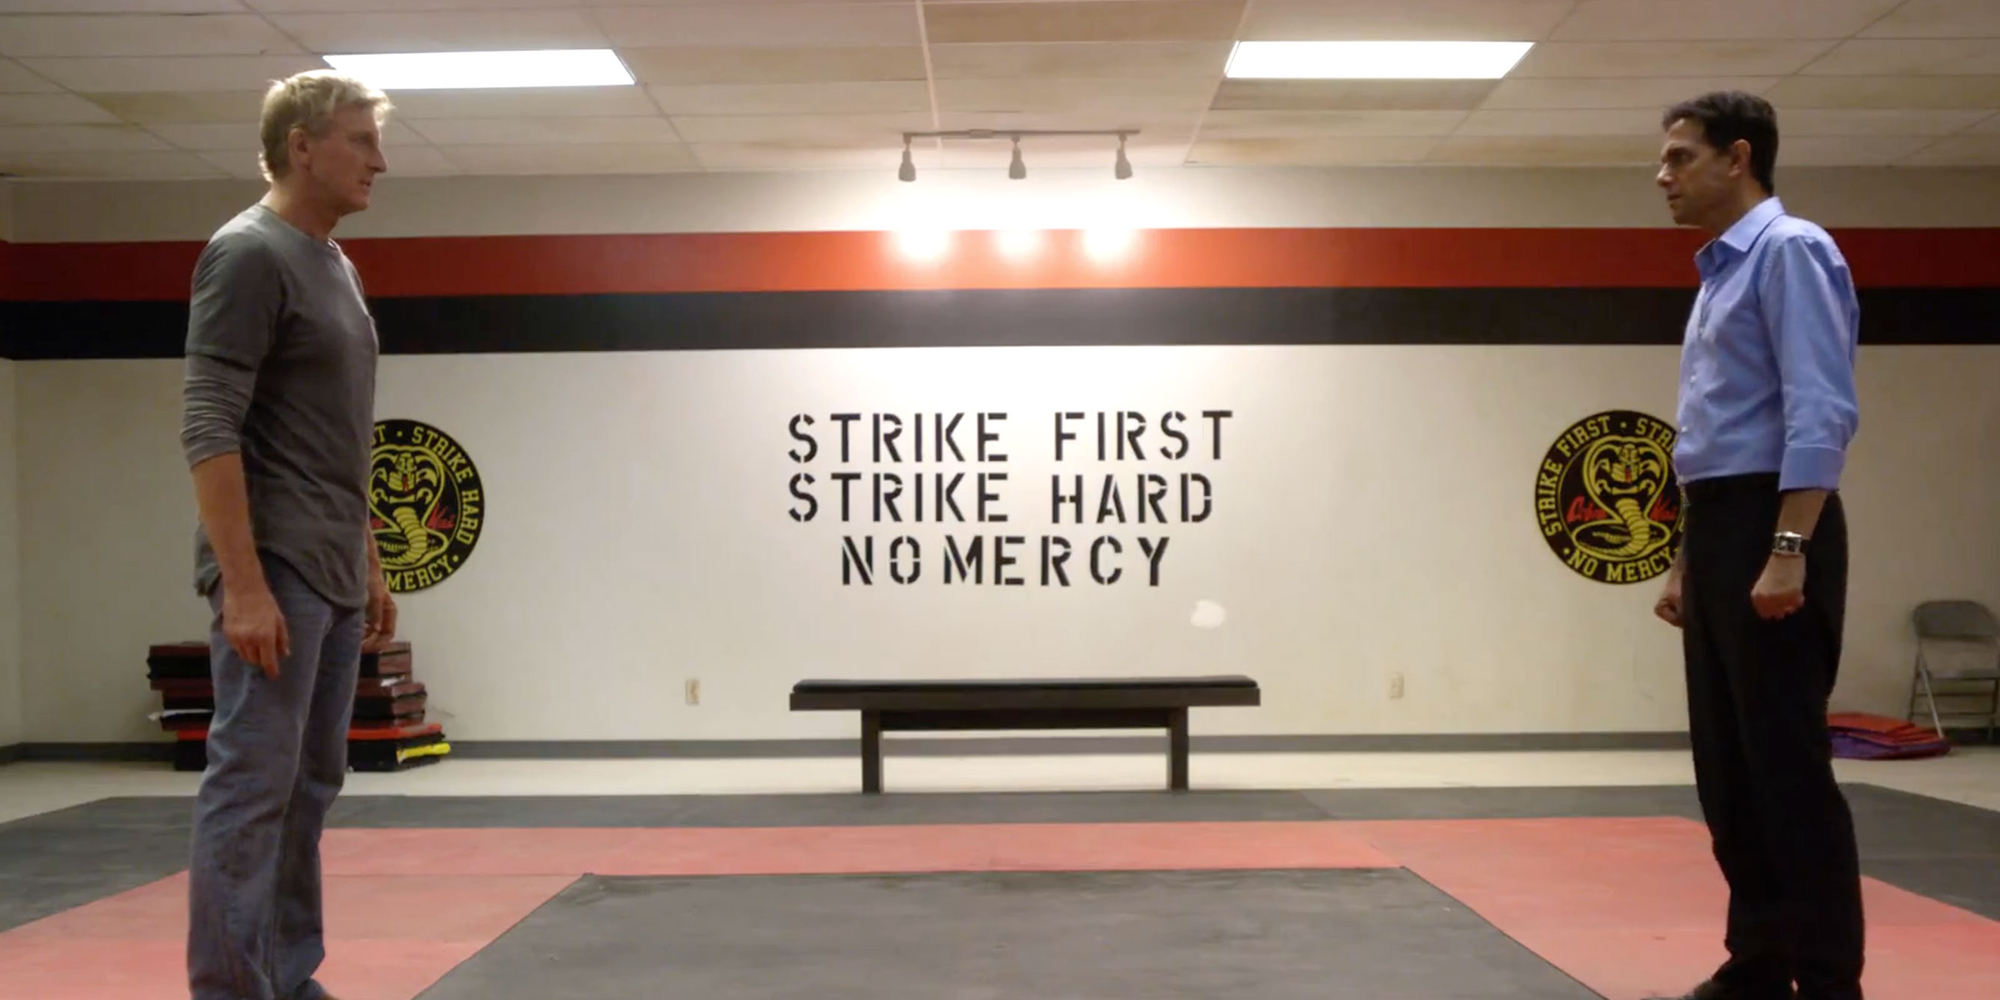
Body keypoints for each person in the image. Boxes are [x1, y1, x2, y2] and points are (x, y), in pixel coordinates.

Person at [179, 69, 397, 1000]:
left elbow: (332, 434)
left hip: (332, 568)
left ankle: (286, 975)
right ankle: (230, 988)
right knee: (254, 788)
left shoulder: (334, 264)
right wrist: (245, 585)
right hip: (277, 570)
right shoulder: (249, 253)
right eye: (359, 140)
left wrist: (370, 555)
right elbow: (208, 423)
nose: (378, 162)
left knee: (310, 790)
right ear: (301, 145)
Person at [1649, 91, 1864, 1000]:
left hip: (1780, 519)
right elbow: (1712, 434)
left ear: (1739, 158)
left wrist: (1788, 547)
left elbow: (1820, 411)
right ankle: (1760, 960)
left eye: (1680, 158)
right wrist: (1686, 556)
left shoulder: (1792, 251)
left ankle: (1826, 979)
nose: (1664, 177)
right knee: (1728, 773)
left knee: (1786, 773)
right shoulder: (1716, 276)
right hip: (1722, 521)